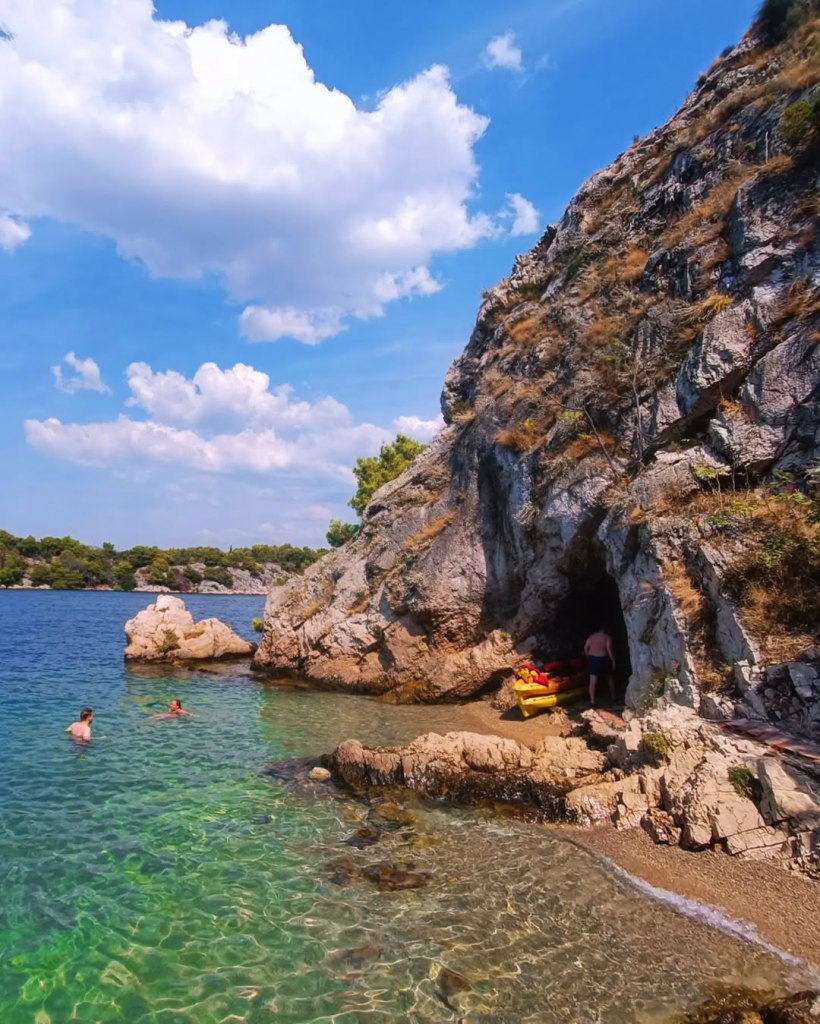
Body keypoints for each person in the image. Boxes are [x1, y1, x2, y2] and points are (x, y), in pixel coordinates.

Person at [584, 627, 615, 707]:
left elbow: (586, 647)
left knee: (592, 681)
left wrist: (588, 656)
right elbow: (609, 649)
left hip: (593, 659)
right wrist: (613, 660)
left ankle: (592, 701)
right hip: (604, 658)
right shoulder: (607, 637)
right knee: (610, 678)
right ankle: (613, 697)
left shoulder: (592, 636)